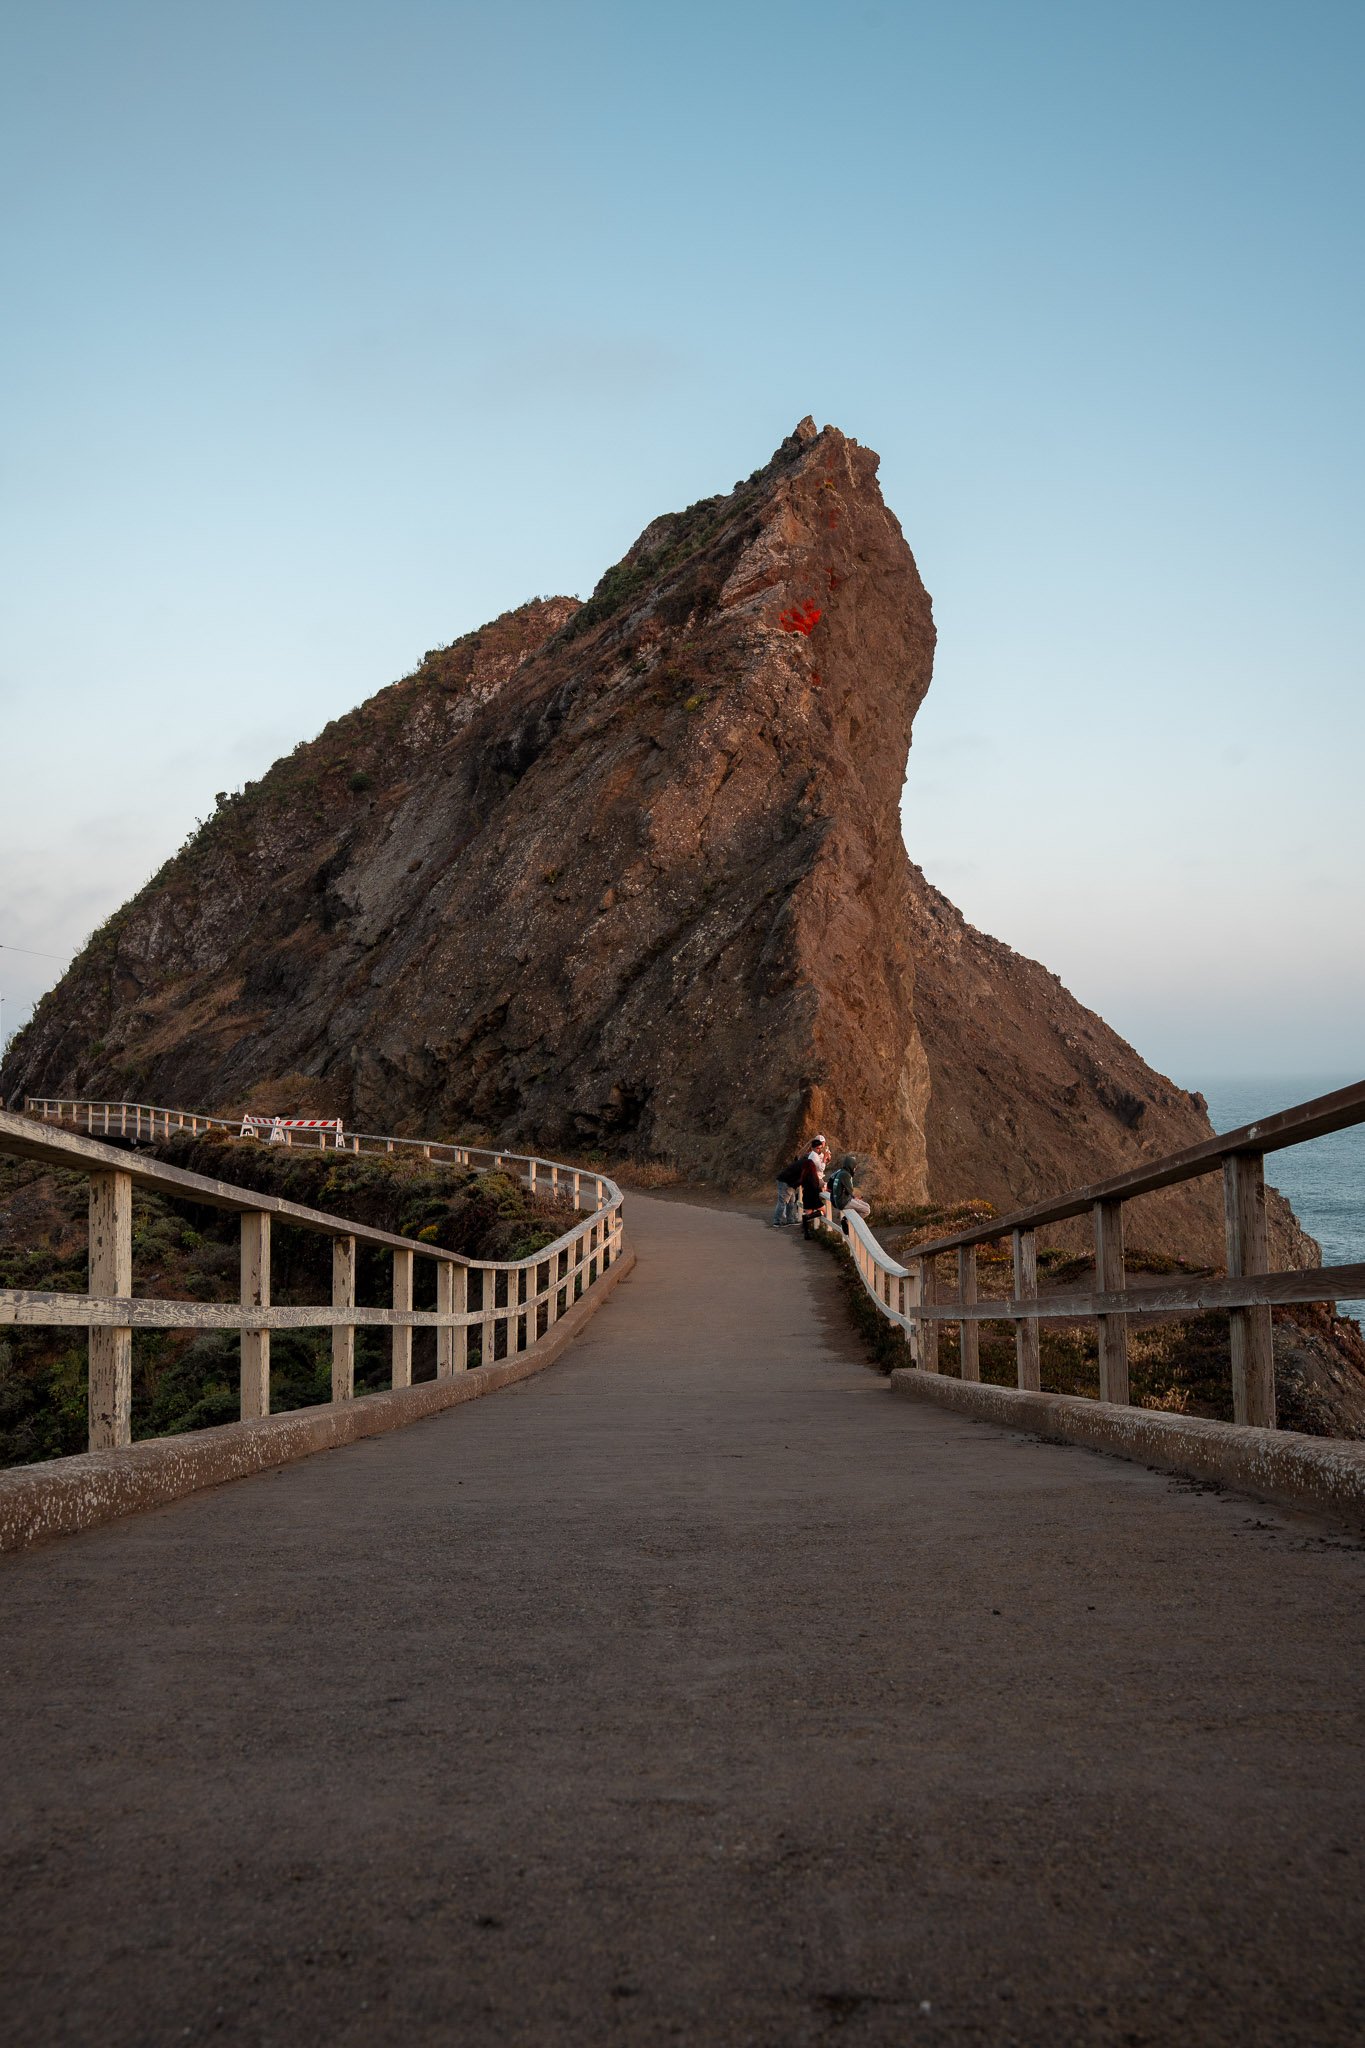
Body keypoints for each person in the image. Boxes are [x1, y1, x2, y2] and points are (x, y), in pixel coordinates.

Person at [799, 1143, 827, 1238]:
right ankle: (807, 1219)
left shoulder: (804, 1175)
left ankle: (807, 1234)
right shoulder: (813, 1176)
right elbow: (815, 1186)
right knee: (824, 1211)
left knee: (809, 1213)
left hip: (806, 1195)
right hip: (813, 1196)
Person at [772, 1153, 804, 1227]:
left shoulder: (799, 1164)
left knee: (791, 1201)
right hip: (785, 1182)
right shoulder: (802, 1167)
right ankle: (777, 1221)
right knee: (782, 1202)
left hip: (787, 1182)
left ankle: (790, 1220)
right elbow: (798, 1179)